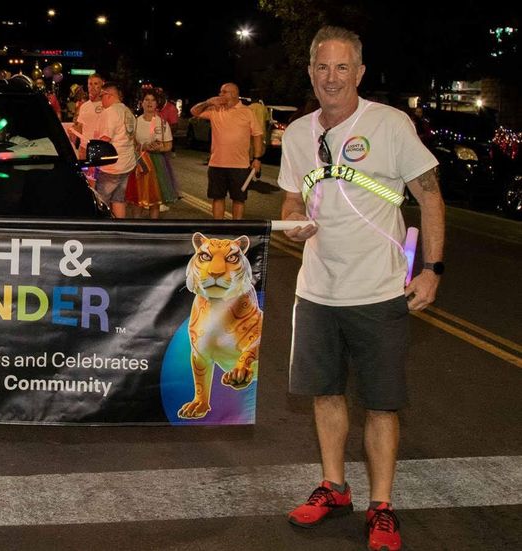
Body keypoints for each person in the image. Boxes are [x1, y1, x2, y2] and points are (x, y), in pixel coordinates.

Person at [278, 27, 445, 551]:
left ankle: (382, 506)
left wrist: (432, 269)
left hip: (378, 291)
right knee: (325, 394)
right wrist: (296, 221)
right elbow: (289, 204)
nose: (332, 77)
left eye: (343, 67)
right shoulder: (297, 134)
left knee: (380, 404)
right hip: (317, 291)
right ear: (310, 72)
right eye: (323, 67)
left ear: (360, 72)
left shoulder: (390, 124)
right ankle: (334, 487)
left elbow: (431, 198)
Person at [190, 82, 264, 219]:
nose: (220, 95)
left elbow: (257, 135)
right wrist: (208, 102)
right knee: (217, 197)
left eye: (224, 92)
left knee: (239, 199)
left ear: (234, 94)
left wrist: (257, 159)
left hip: (240, 165)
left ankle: (236, 229)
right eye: (220, 92)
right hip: (217, 163)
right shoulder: (215, 110)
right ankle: (219, 228)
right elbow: (194, 111)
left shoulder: (247, 112)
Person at [127, 89, 178, 219]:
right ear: (141, 103)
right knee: (137, 197)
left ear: (157, 104)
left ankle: (152, 225)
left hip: (157, 164)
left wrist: (159, 147)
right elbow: (130, 143)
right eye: (146, 100)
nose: (149, 103)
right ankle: (136, 226)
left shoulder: (162, 123)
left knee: (155, 199)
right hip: (139, 163)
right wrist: (143, 146)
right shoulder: (135, 122)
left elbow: (168, 145)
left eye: (153, 100)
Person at [95, 82, 137, 218]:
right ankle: (120, 228)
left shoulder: (111, 112)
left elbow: (105, 139)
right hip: (127, 163)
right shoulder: (128, 112)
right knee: (119, 199)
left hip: (112, 166)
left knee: (101, 200)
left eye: (102, 96)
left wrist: (94, 161)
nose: (101, 100)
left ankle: (101, 231)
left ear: (109, 95)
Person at [70, 73, 105, 160]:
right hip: (84, 149)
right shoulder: (84, 106)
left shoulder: (107, 104)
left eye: (96, 84)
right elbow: (80, 127)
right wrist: (73, 131)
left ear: (102, 85)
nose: (92, 86)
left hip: (101, 148)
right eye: (90, 84)